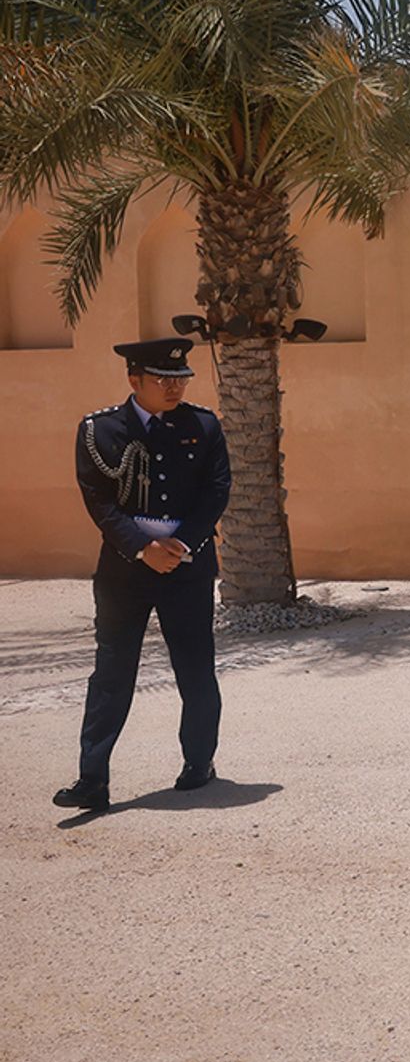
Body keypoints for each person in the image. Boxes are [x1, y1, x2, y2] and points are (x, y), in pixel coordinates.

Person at [54, 338, 231, 812]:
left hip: (187, 565)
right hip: (125, 569)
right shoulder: (100, 429)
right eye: (163, 380)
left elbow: (216, 491)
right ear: (134, 381)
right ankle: (92, 779)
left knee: (194, 668)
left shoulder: (204, 425)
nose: (174, 388)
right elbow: (99, 500)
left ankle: (199, 762)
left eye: (181, 379)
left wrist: (181, 545)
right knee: (111, 671)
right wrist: (141, 548)